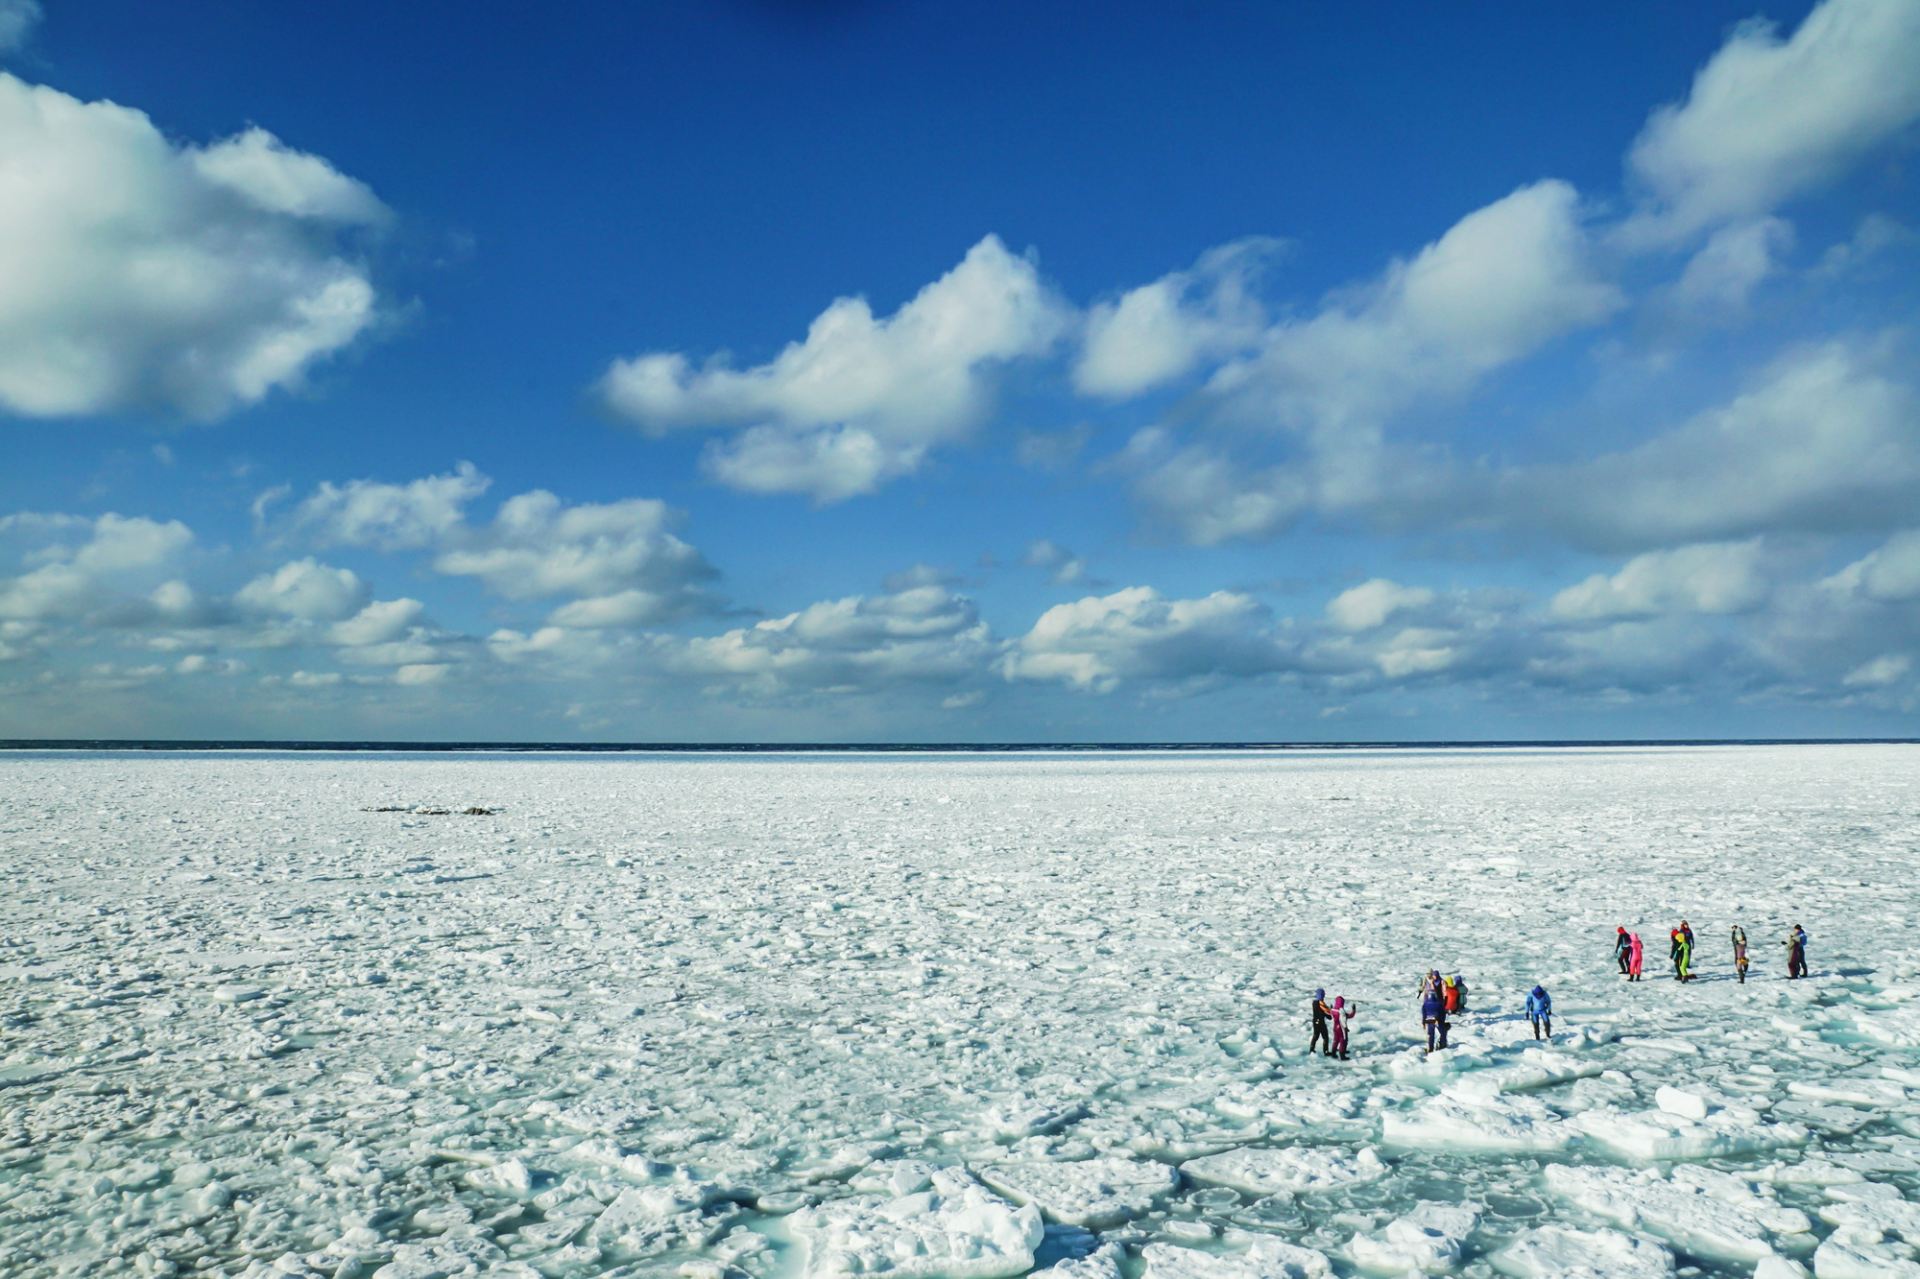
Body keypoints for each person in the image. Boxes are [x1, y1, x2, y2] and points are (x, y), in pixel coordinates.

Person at [1421, 983, 1449, 1054]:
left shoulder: (1425, 1004)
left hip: (1428, 1021)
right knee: (1442, 1033)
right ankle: (1442, 1045)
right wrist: (1442, 1022)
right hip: (1437, 1020)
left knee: (1431, 1035)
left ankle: (1430, 1048)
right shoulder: (1439, 1004)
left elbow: (1424, 1014)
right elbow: (1443, 1013)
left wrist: (1423, 1023)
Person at [1310, 989, 1333, 1056]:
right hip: (1319, 1022)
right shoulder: (1318, 1004)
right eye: (1323, 994)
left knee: (1319, 1036)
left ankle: (1314, 1049)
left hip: (1318, 1022)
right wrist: (1329, 1013)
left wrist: (1328, 1012)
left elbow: (1324, 1011)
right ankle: (1323, 1051)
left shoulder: (1318, 1003)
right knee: (1321, 1037)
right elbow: (1323, 1012)